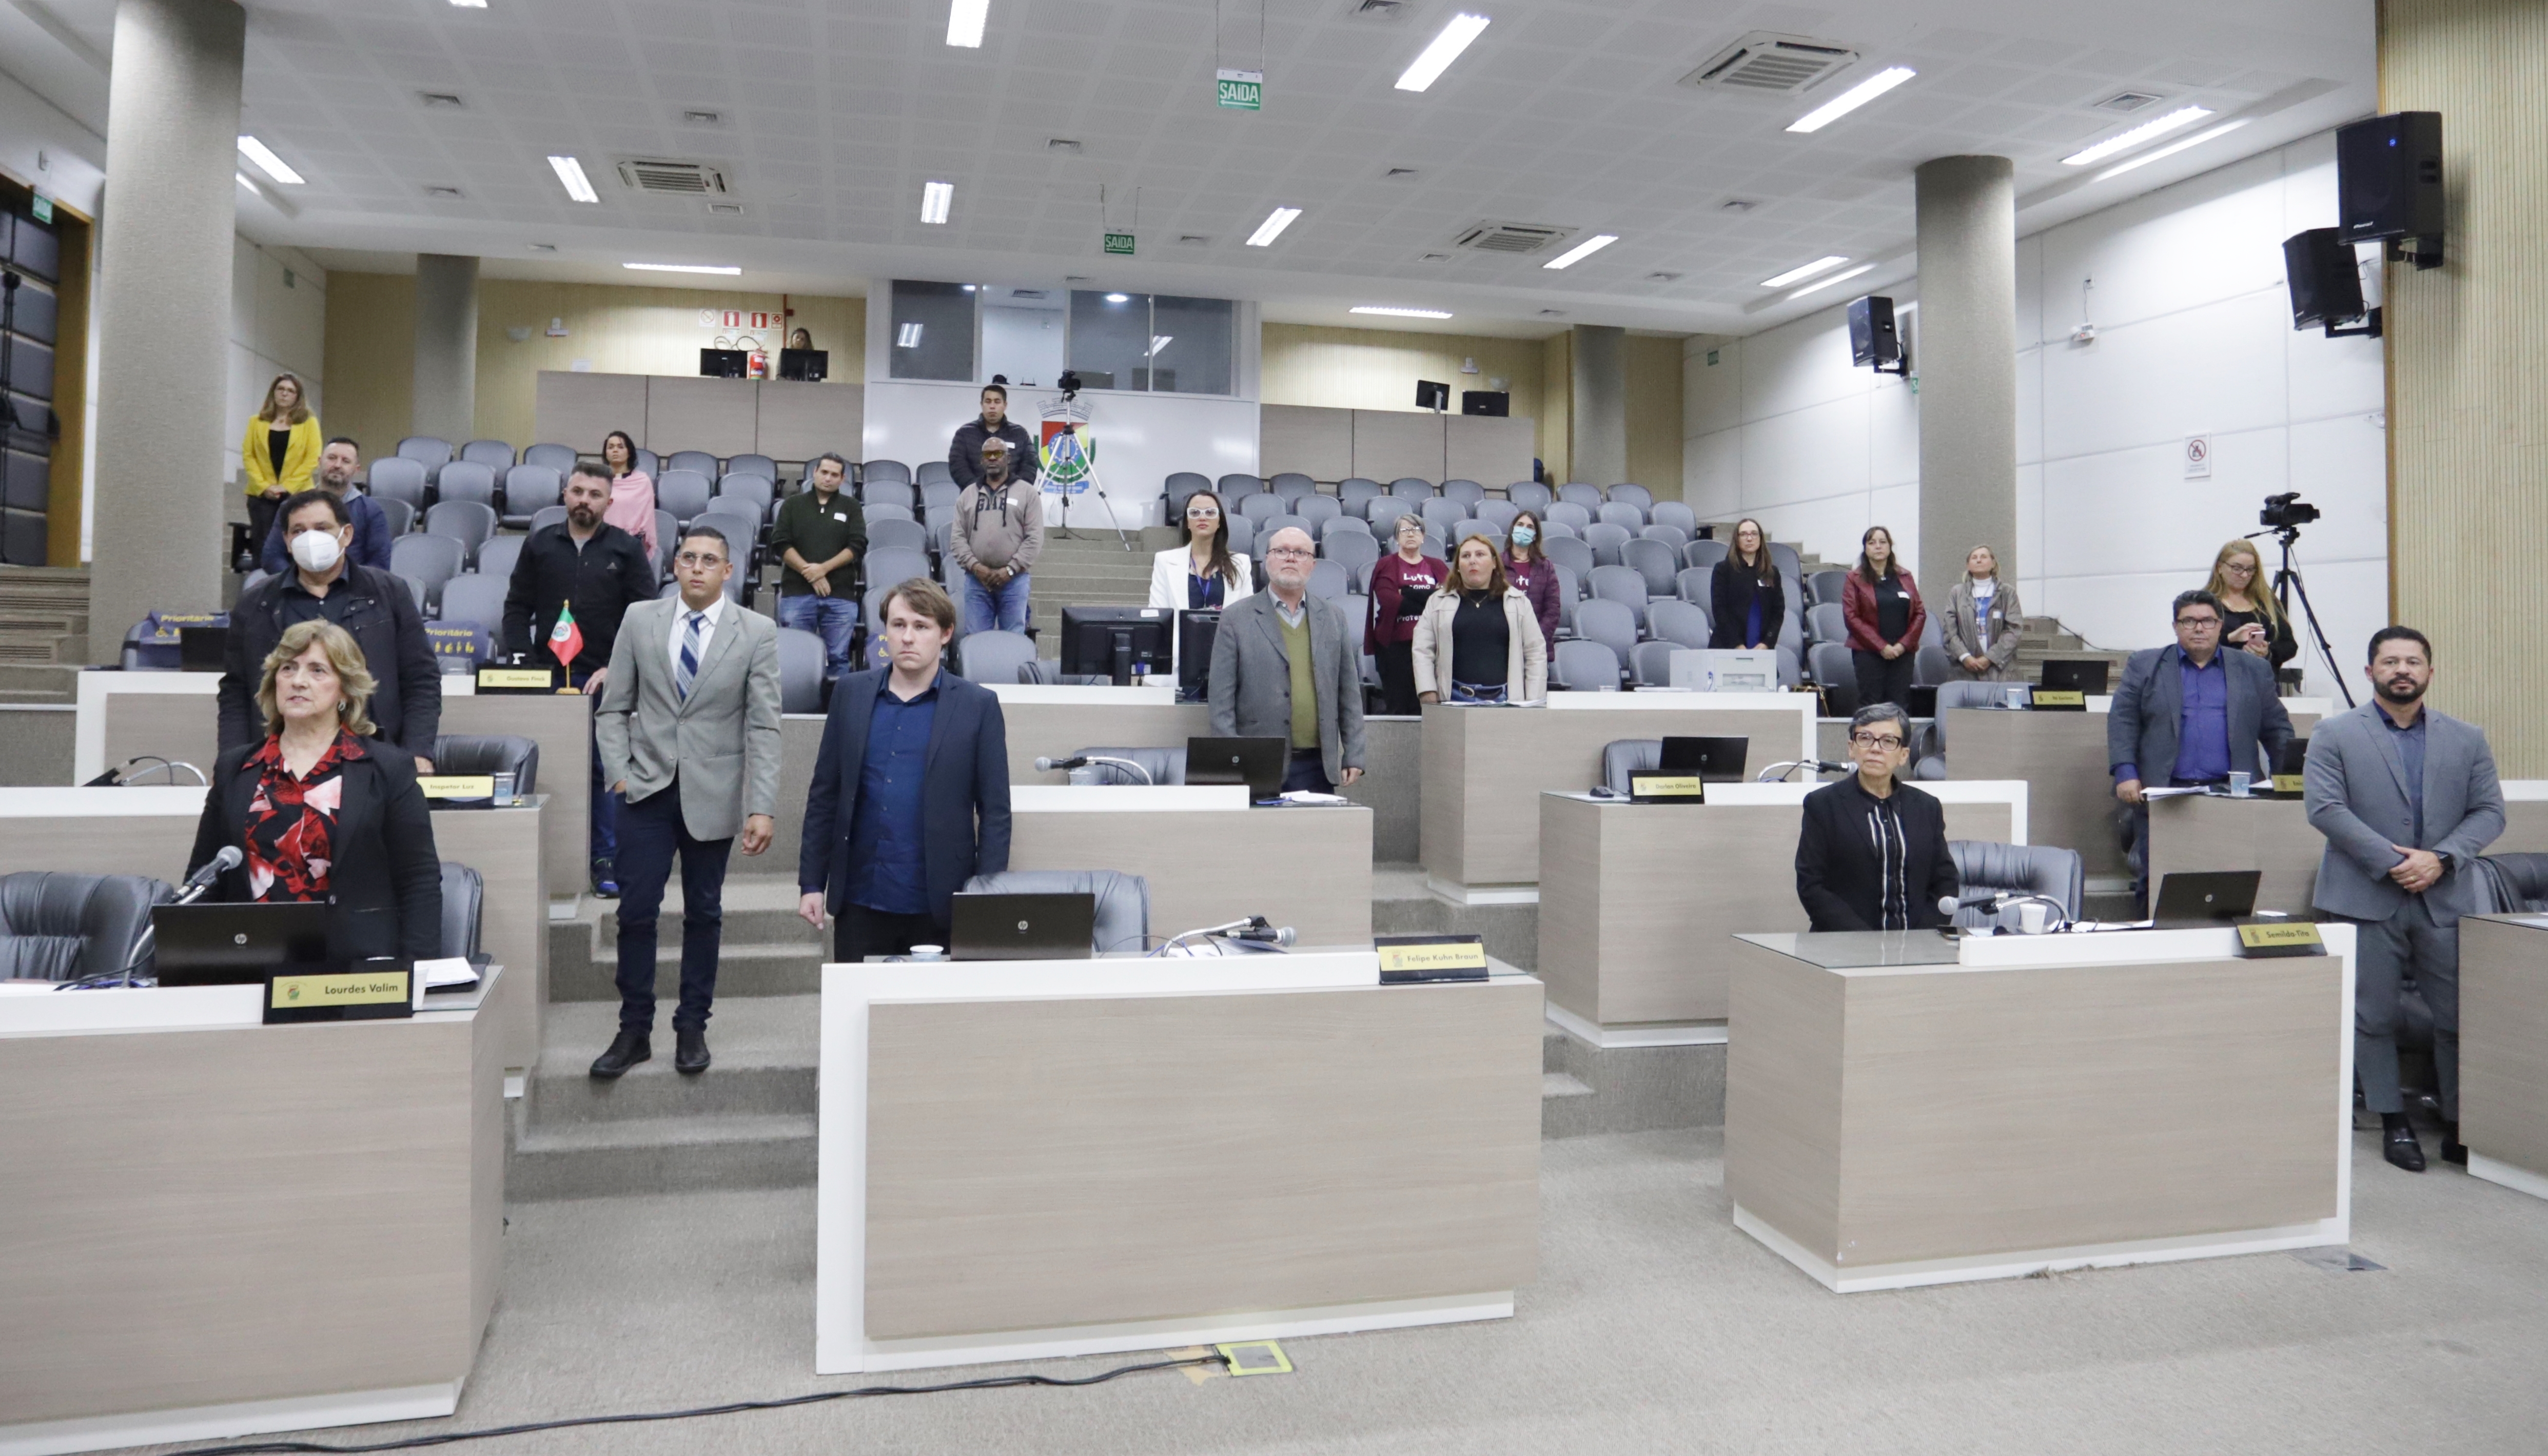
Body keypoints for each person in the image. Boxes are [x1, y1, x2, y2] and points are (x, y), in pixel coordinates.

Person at [2306, 626, 2504, 1173]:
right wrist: (2396, 863)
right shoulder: (2334, 733)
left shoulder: (2466, 738)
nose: (2402, 670)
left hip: (2445, 897)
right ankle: (2393, 1120)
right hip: (2365, 896)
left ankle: (2459, 1124)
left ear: (2429, 673)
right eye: (2390, 661)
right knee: (2373, 1016)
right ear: (2370, 671)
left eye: (2413, 662)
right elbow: (2325, 808)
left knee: (2458, 1017)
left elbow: (2490, 812)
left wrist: (2438, 858)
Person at [589, 524, 783, 1079]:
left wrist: (762, 805)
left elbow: (764, 726)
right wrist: (620, 777)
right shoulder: (639, 619)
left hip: (713, 794)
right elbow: (613, 708)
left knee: (704, 912)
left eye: (710, 560)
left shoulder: (757, 631)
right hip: (644, 790)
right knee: (635, 913)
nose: (698, 567)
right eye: (689, 558)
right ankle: (634, 1029)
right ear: (675, 566)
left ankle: (692, 1024)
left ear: (728, 571)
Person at [187, 619, 442, 965]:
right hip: (253, 962)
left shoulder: (388, 769)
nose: (298, 681)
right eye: (288, 668)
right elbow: (204, 878)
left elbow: (418, 880)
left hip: (356, 969)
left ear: (345, 690)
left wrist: (417, 973)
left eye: (317, 670)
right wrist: (192, 970)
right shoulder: (236, 768)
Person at [797, 578, 1012, 961]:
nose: (908, 637)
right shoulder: (850, 693)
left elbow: (995, 812)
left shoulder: (978, 706)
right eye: (898, 625)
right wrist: (812, 882)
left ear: (945, 634)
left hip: (941, 903)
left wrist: (984, 897)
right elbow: (825, 795)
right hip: (861, 899)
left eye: (921, 626)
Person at [501, 461, 658, 898]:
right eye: (577, 492)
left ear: (609, 502)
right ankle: (540, 860)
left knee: (602, 770)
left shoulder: (626, 549)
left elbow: (646, 618)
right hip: (546, 677)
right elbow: (516, 608)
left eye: (594, 494)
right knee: (545, 765)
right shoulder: (539, 544)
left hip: (603, 679)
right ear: (565, 494)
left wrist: (616, 669)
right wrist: (525, 662)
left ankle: (605, 859)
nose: (584, 501)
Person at [221, 490, 440, 769]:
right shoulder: (257, 602)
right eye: (298, 531)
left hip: (376, 757)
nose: (310, 538)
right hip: (281, 763)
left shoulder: (389, 592)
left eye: (322, 528)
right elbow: (236, 690)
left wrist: (418, 752)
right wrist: (231, 763)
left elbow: (421, 678)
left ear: (346, 535)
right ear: (287, 541)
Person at [2107, 589, 2295, 884]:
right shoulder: (2145, 665)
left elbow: (2277, 728)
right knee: (2155, 882)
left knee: (2230, 880)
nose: (2199, 628)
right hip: (2164, 794)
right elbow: (2123, 719)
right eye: (2188, 621)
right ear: (2175, 626)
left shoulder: (2253, 669)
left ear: (2220, 626)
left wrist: (2289, 780)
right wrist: (2125, 772)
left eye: (2208, 621)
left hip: (2232, 796)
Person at [1208, 526, 1366, 794]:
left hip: (1317, 765)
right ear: (1267, 559)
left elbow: (1349, 693)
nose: (1291, 558)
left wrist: (1354, 753)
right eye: (1281, 551)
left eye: (1301, 553)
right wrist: (1232, 757)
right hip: (1256, 761)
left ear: (1313, 565)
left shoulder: (1333, 617)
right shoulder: (1235, 618)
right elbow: (1220, 700)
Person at [1795, 701, 1958, 932]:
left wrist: (1920, 937)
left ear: (1904, 755)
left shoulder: (1927, 807)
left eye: (1888, 741)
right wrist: (1865, 941)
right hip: (1843, 943)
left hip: (1916, 942)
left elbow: (1945, 881)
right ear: (1851, 748)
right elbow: (1811, 885)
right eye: (1865, 738)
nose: (1875, 748)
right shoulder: (1822, 805)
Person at [1413, 535, 1546, 706]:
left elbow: (1535, 653)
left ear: (1494, 563)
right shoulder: (1438, 601)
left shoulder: (1518, 602)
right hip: (1453, 700)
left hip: (1506, 701)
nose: (1473, 561)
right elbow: (1423, 649)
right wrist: (1427, 690)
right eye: (1466, 556)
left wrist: (1534, 701)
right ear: (1458, 566)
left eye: (1480, 555)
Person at [770, 451, 868, 677]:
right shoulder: (792, 505)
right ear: (815, 473)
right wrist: (811, 574)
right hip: (797, 594)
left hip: (840, 596)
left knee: (839, 658)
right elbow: (780, 543)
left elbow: (858, 545)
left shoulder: (851, 507)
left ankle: (838, 701)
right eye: (824, 472)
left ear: (842, 479)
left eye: (834, 475)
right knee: (794, 658)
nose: (828, 478)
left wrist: (822, 570)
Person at [948, 437, 1041, 634]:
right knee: (976, 638)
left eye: (998, 453)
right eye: (987, 454)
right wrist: (977, 568)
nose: (992, 458)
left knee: (1013, 638)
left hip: (1015, 581)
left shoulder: (1027, 493)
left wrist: (1010, 570)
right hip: (977, 581)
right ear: (981, 460)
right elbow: (957, 539)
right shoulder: (967, 495)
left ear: (1008, 459)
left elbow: (1034, 538)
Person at [258, 437, 390, 576]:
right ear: (319, 462)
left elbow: (380, 563)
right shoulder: (292, 507)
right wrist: (299, 583)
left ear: (356, 469)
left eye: (346, 461)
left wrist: (347, 585)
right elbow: (272, 556)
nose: (337, 465)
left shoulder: (371, 511)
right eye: (332, 458)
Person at [1364, 514, 1445, 717]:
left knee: (1431, 709)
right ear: (1396, 538)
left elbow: (1446, 600)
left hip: (1433, 646)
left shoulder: (1437, 566)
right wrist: (1430, 596)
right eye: (1405, 530)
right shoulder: (1386, 565)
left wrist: (1406, 592)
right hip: (1395, 648)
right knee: (1399, 709)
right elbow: (1390, 601)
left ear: (1423, 536)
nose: (1411, 534)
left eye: (1416, 530)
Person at [1843, 525, 1924, 712]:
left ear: (1890, 546)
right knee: (1872, 707)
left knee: (1899, 705)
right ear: (1865, 549)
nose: (1878, 546)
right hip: (1869, 652)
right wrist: (1882, 646)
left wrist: (1903, 645)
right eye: (1872, 543)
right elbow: (1851, 617)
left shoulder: (1905, 576)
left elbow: (1920, 613)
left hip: (1902, 653)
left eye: (1883, 542)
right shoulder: (1854, 578)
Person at [240, 372, 321, 557]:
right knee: (263, 547)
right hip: (262, 496)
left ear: (298, 397)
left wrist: (287, 487)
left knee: (294, 548)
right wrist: (264, 487)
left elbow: (312, 459)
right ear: (273, 393)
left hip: (297, 495)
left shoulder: (309, 423)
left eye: (291, 391)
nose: (285, 394)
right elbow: (249, 456)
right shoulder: (256, 422)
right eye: (281, 389)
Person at [1146, 488, 1253, 611]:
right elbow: (1158, 613)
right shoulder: (1165, 561)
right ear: (1187, 522)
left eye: (1210, 512)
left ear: (1219, 522)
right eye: (1195, 513)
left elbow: (1247, 614)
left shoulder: (1241, 563)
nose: (1202, 517)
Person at [2205, 539, 2297, 672]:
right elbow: (2195, 646)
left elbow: (2289, 645)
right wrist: (2230, 638)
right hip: (2219, 676)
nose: (2245, 575)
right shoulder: (2205, 602)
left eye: (2250, 569)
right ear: (2220, 568)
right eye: (2237, 569)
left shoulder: (2266, 601)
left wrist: (2268, 652)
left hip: (2260, 678)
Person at [1943, 544, 2024, 682]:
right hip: (1965, 672)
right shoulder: (1957, 593)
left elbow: (2014, 630)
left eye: (1984, 557)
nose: (1979, 560)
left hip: (2000, 672)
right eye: (1974, 558)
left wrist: (1990, 658)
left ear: (1993, 564)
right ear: (1968, 565)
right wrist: (1965, 657)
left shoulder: (2007, 593)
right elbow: (1949, 631)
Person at [1710, 517, 1784, 651]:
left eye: (1754, 534)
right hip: (1727, 647)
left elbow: (1778, 612)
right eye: (1744, 534)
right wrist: (1737, 645)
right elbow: (1719, 610)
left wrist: (1767, 643)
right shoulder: (1723, 570)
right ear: (1737, 539)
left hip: (1762, 649)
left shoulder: (1772, 572)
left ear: (1760, 538)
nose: (1749, 539)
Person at [949, 382, 1038, 489]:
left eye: (997, 402)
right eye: (988, 401)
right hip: (974, 495)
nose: (992, 406)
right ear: (982, 404)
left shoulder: (1020, 434)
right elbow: (957, 466)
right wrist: (979, 490)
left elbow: (1030, 466)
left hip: (1013, 496)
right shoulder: (965, 433)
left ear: (1005, 405)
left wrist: (1014, 490)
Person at [1501, 509, 1560, 648]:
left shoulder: (1545, 567)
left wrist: (1535, 637)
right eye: (1520, 525)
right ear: (1513, 530)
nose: (1524, 530)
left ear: (1535, 536)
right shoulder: (1496, 564)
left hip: (1535, 644)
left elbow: (1553, 609)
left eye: (1530, 527)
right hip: (1502, 642)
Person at [600, 430, 658, 565]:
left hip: (631, 543)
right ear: (606, 453)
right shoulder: (599, 481)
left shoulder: (642, 481)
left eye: (621, 447)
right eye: (611, 447)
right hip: (601, 541)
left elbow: (647, 517)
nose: (615, 451)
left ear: (629, 452)